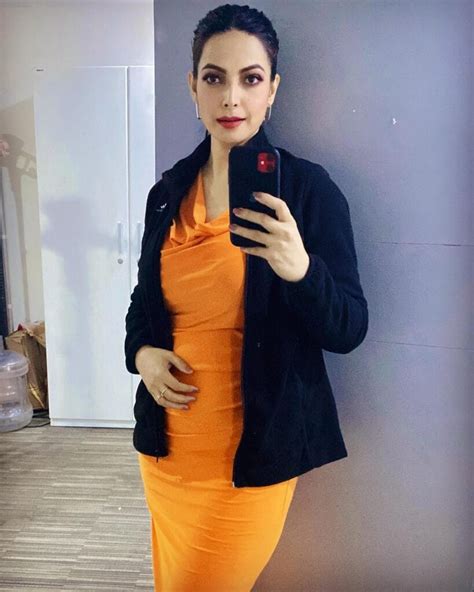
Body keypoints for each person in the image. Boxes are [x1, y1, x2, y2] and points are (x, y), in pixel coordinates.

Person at [124, 4, 368, 591]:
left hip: (250, 462)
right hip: (165, 454)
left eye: (250, 78)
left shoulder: (307, 191)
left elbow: (349, 327)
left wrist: (300, 269)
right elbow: (142, 303)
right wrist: (141, 355)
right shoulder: (167, 193)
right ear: (193, 86)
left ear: (272, 90)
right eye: (214, 77)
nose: (231, 97)